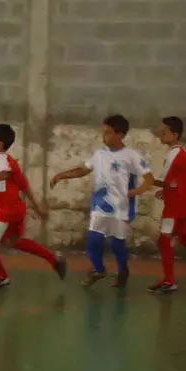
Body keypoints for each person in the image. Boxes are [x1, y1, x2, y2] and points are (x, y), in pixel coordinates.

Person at [49, 114, 153, 288]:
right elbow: (83, 169)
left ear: (120, 135)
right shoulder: (99, 154)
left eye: (108, 132)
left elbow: (149, 178)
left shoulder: (131, 156)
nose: (104, 136)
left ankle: (123, 269)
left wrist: (135, 191)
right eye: (103, 132)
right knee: (93, 240)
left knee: (117, 244)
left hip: (120, 208)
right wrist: (61, 175)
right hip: (100, 206)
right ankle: (99, 269)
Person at [0, 123, 67, 287]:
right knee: (16, 241)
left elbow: (4, 174)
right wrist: (37, 207)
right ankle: (54, 259)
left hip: (7, 213)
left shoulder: (1, 159)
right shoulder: (9, 161)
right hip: (15, 210)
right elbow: (24, 186)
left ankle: (1, 275)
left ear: (0, 144)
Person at [148, 116, 186, 294]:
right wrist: (167, 191)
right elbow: (177, 180)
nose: (161, 134)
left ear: (175, 135)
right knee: (182, 239)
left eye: (164, 132)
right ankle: (168, 278)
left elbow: (164, 181)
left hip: (175, 207)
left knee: (164, 240)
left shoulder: (174, 154)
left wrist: (146, 178)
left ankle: (170, 280)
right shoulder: (179, 152)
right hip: (178, 203)